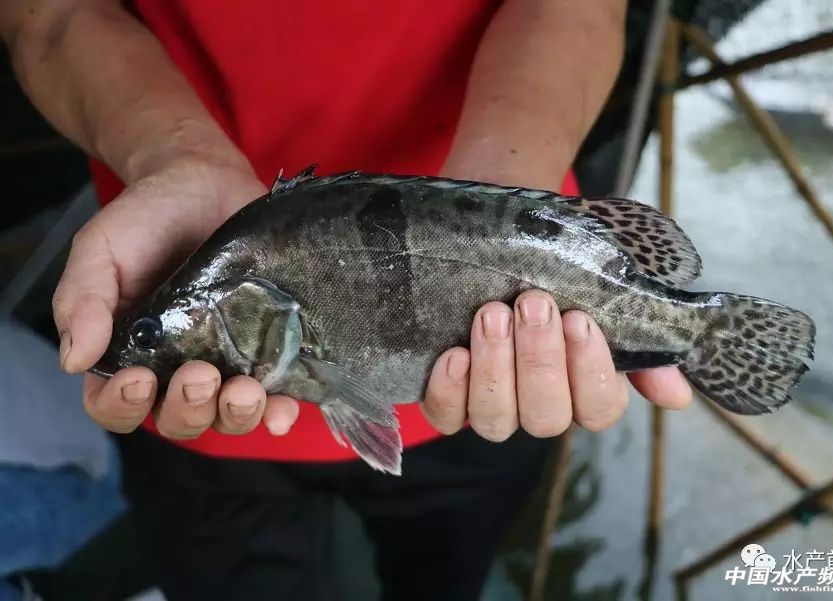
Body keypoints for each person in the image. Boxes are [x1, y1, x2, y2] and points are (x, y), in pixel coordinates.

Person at [0, 1, 693, 599]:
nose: (141, 342)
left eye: (150, 334)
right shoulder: (194, 316)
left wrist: (502, 196)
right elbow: (50, 14)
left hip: (498, 385)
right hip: (192, 426)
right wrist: (174, 156)